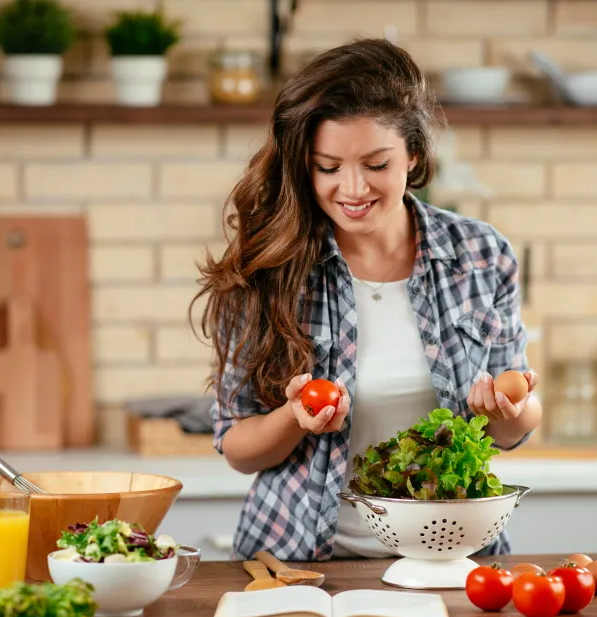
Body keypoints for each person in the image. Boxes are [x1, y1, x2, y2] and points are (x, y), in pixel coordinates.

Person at [191, 38, 542, 562]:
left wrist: (509, 409)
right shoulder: (269, 268)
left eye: (376, 164)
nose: (352, 189)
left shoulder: (480, 253)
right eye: (327, 167)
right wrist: (294, 417)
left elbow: (513, 428)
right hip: (300, 562)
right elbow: (238, 449)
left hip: (451, 558)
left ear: (414, 154)